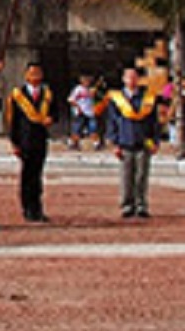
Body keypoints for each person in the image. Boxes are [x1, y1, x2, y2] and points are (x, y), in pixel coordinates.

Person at [105, 67, 161, 219]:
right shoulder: (117, 99)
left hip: (143, 141)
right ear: (124, 79)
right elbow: (112, 122)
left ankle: (141, 204)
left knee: (141, 175)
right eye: (129, 77)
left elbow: (154, 122)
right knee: (126, 176)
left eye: (134, 77)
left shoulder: (147, 98)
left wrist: (156, 140)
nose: (132, 80)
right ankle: (127, 205)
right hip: (125, 140)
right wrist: (114, 142)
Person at [5, 63, 54, 224]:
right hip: (25, 140)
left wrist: (51, 119)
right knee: (27, 175)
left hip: (40, 139)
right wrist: (14, 142)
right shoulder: (18, 95)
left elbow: (56, 112)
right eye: (31, 73)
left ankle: (37, 208)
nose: (35, 76)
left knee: (37, 175)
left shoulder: (47, 93)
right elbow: (13, 121)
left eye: (38, 73)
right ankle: (27, 208)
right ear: (26, 75)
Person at [66, 74, 99, 150]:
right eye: (85, 80)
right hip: (80, 113)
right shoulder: (78, 89)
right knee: (77, 129)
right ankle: (72, 143)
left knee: (93, 127)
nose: (87, 82)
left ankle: (96, 143)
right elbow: (71, 100)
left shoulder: (91, 90)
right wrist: (78, 108)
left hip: (90, 112)